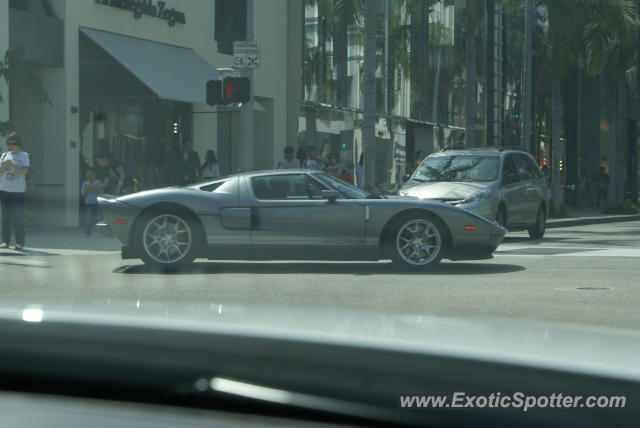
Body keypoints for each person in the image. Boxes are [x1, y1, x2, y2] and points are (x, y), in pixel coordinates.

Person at [0, 132, 30, 250]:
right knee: (6, 217)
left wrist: (12, 164)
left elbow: (24, 172)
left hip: (18, 191)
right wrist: (2, 166)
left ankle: (19, 243)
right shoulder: (4, 155)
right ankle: (5, 241)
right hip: (4, 189)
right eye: (10, 144)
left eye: (14, 144)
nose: (12, 146)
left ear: (19, 144)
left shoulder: (24, 155)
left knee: (18, 217)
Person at [81, 167, 102, 238]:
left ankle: (101, 232)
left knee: (99, 218)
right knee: (88, 218)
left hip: (97, 203)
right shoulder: (85, 183)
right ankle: (87, 233)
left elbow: (100, 192)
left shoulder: (98, 182)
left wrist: (91, 190)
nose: (89, 175)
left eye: (91, 174)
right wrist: (89, 190)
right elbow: (83, 193)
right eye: (88, 174)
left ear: (94, 175)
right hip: (88, 203)